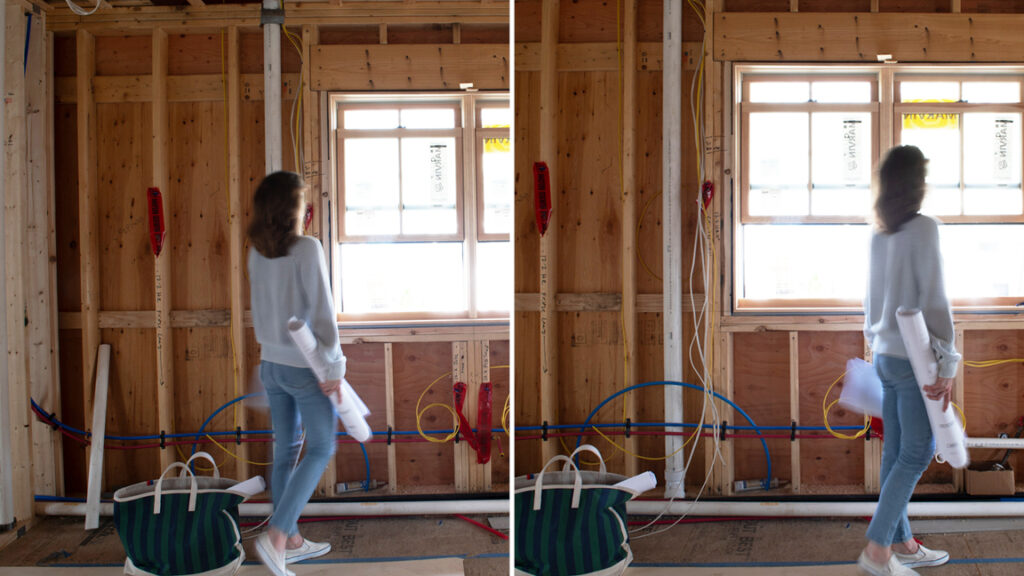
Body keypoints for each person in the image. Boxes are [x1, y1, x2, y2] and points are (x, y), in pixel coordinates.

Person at [860, 145, 960, 576]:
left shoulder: (880, 234)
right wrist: (948, 363)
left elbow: (869, 303)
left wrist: (875, 342)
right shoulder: (924, 230)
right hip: (914, 359)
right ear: (916, 183)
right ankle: (878, 550)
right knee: (918, 453)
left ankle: (901, 540)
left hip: (884, 356)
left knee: (895, 452)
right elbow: (934, 301)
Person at [247, 171, 344, 576]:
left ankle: (292, 542)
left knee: (285, 452)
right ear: (294, 210)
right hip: (305, 369)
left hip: (271, 367)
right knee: (321, 448)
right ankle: (277, 536)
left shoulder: (256, 252)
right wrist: (334, 366)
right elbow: (322, 313)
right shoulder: (307, 249)